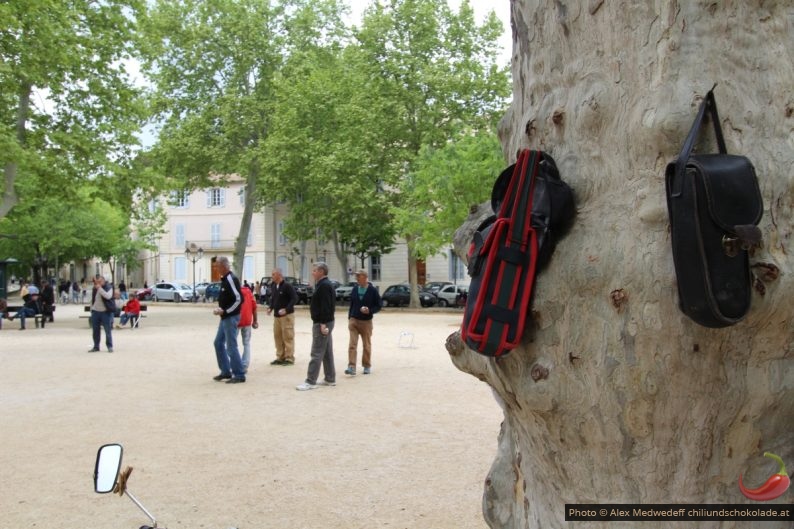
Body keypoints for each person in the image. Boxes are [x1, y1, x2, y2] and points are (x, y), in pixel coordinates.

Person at [296, 262, 336, 391]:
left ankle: (310, 381)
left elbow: (325, 306)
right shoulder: (325, 284)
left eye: (314, 270)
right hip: (326, 321)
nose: (312, 273)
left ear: (321, 272)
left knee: (317, 352)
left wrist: (323, 323)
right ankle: (330, 378)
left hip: (322, 322)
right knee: (326, 351)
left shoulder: (324, 286)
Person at [212, 256, 246, 384]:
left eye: (218, 266)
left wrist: (225, 311)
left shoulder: (231, 279)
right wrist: (220, 309)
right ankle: (226, 371)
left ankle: (239, 374)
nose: (216, 269)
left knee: (231, 346)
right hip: (225, 316)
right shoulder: (225, 279)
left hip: (230, 317)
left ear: (224, 266)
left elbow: (239, 299)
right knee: (218, 343)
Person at [345, 269, 381, 376]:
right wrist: (350, 317)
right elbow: (352, 304)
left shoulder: (373, 290)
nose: (356, 278)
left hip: (366, 322)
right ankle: (351, 366)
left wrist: (369, 310)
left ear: (365, 277)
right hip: (354, 320)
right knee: (352, 344)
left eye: (358, 276)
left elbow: (379, 305)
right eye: (356, 276)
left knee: (366, 345)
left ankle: (366, 365)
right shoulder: (355, 289)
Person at [267, 268, 298, 366]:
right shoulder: (273, 285)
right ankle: (280, 357)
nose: (272, 276)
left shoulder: (287, 286)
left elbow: (295, 298)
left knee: (288, 336)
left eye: (273, 274)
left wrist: (287, 309)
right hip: (277, 317)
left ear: (279, 275)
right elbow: (273, 299)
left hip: (287, 316)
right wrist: (270, 308)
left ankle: (289, 358)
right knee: (278, 337)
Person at [88, 275, 114, 352]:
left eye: (100, 281)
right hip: (95, 311)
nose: (98, 282)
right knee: (95, 330)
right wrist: (92, 308)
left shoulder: (109, 287)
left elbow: (108, 296)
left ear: (104, 281)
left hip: (105, 312)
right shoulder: (95, 288)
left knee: (107, 330)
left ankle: (109, 346)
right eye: (98, 281)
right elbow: (93, 299)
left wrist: (99, 288)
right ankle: (96, 346)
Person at [238, 285, 258, 373]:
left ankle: (235, 364)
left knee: (232, 344)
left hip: (236, 321)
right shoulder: (249, 292)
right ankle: (244, 365)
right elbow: (254, 307)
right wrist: (255, 321)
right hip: (247, 320)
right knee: (246, 343)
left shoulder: (234, 292)